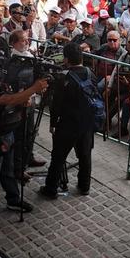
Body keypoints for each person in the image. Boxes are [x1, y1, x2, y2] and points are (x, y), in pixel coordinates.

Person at [0, 51, 48, 231]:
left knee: (8, 171)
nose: (4, 71)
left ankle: (13, 199)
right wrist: (33, 89)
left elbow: (13, 100)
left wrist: (22, 101)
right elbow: (5, 100)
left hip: (8, 132)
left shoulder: (6, 81)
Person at [40, 43, 97, 198]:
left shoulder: (63, 78)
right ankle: (84, 186)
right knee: (85, 156)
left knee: (58, 157)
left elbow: (55, 104)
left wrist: (52, 124)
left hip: (67, 124)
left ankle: (51, 188)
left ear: (66, 59)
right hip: (86, 123)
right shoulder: (90, 73)